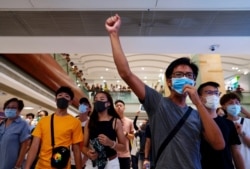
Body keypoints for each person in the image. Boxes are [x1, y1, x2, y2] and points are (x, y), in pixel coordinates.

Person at [105, 15, 225, 169]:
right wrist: (113, 34)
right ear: (169, 81)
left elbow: (219, 144)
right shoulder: (158, 103)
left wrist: (198, 103)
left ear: (194, 82)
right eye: (178, 75)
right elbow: (125, 73)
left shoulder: (197, 114)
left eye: (189, 76)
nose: (184, 79)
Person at [25, 86, 84, 169]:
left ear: (70, 102)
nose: (63, 98)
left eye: (66, 96)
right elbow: (34, 146)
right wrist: (27, 167)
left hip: (62, 166)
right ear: (55, 99)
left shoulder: (75, 122)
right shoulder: (43, 121)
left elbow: (76, 149)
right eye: (60, 95)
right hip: (41, 166)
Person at [197, 81, 245, 169]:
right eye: (208, 92)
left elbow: (236, 151)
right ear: (199, 98)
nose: (213, 96)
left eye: (216, 93)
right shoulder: (194, 122)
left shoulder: (228, 123)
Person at [82, 91, 126, 169]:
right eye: (96, 99)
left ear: (108, 103)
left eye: (102, 99)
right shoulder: (89, 122)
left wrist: (111, 143)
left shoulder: (116, 121)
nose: (98, 101)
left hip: (111, 163)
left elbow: (123, 147)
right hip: (93, 163)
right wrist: (88, 153)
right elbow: (83, 146)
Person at [220, 92, 250, 168]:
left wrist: (242, 134)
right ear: (223, 106)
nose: (234, 105)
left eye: (237, 103)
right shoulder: (221, 124)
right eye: (230, 103)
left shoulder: (247, 122)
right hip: (229, 164)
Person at [0, 98, 31, 169]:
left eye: (13, 108)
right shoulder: (2, 123)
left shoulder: (23, 124)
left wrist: (18, 164)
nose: (10, 109)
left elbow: (24, 146)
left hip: (11, 163)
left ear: (19, 110)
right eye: (8, 107)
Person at [114, 99, 135, 169]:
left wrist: (126, 134)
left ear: (124, 108)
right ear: (114, 108)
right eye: (117, 106)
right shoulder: (112, 121)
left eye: (121, 105)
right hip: (113, 155)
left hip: (125, 155)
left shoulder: (129, 121)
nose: (119, 107)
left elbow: (132, 137)